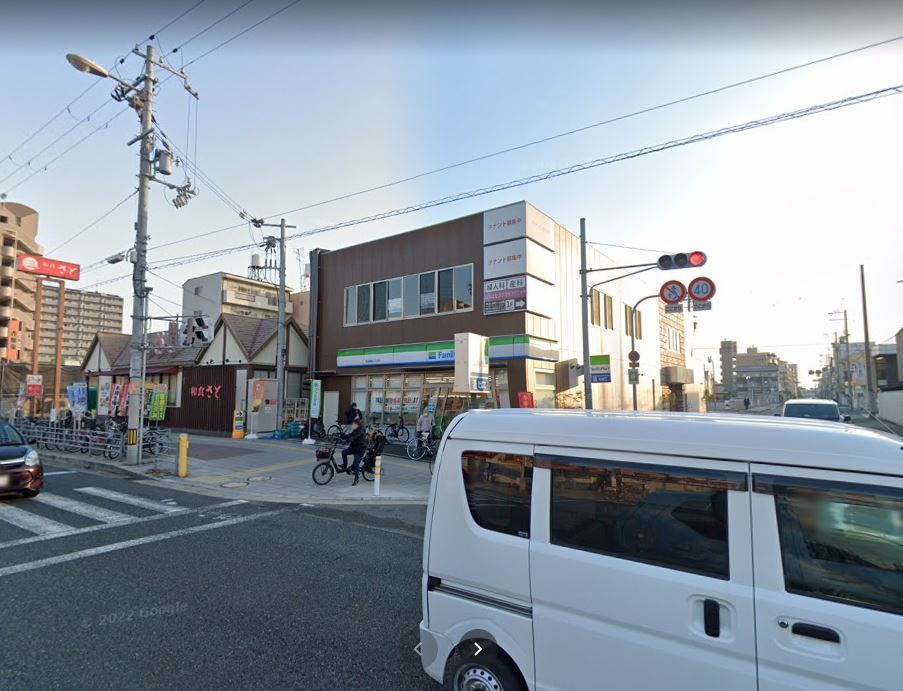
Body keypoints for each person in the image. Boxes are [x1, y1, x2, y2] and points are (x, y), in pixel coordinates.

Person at [340, 418, 367, 486]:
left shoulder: (360, 430)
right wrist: (343, 436)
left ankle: (356, 479)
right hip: (354, 447)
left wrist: (346, 441)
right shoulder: (356, 429)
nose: (352, 425)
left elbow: (353, 437)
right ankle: (344, 465)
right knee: (343, 452)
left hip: (360, 449)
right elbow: (350, 435)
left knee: (356, 464)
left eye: (354, 424)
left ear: (357, 424)